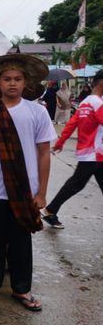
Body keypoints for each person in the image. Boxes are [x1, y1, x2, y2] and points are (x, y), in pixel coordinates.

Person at [0, 54, 55, 312]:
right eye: (7, 79)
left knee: (21, 241)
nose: (12, 84)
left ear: (26, 83)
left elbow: (43, 153)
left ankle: (22, 288)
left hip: (25, 188)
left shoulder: (37, 112)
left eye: (17, 79)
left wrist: (42, 192)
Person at [43, 69, 103, 229]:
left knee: (77, 183)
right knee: (76, 183)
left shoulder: (85, 103)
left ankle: (51, 210)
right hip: (94, 153)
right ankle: (50, 210)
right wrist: (60, 142)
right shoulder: (98, 103)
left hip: (92, 153)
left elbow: (71, 124)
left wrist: (60, 142)